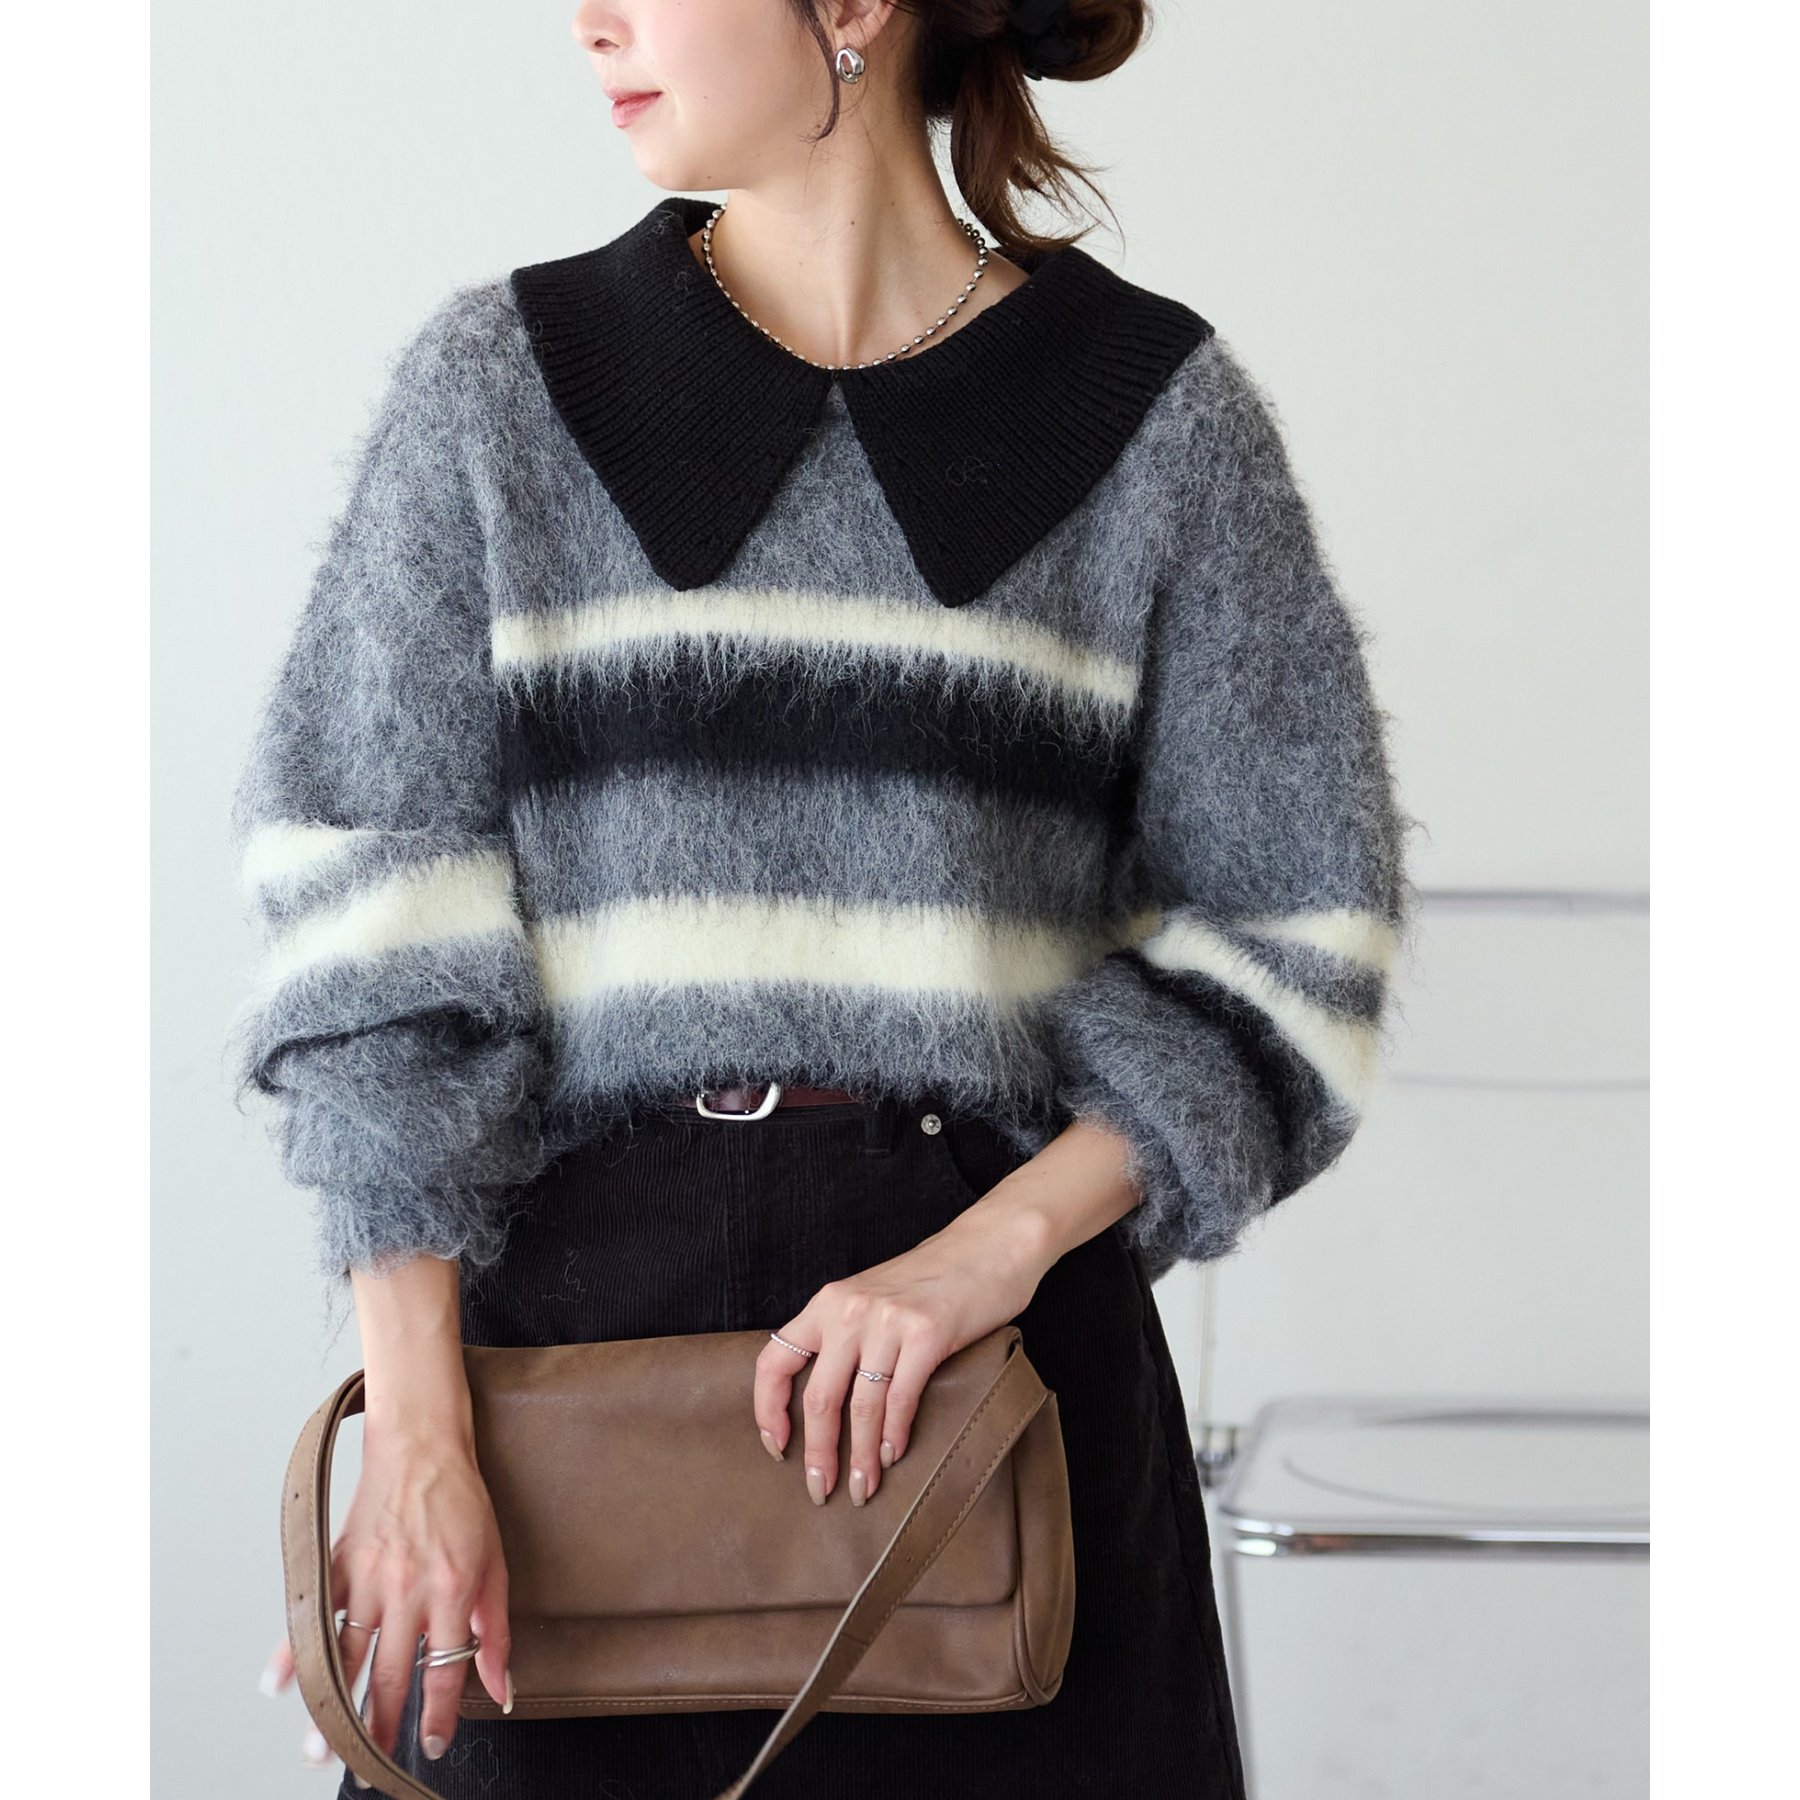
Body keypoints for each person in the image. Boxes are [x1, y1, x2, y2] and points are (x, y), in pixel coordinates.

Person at [233, 2, 1410, 1795]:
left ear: (853, 6)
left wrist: (982, 1256)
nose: (592, 20)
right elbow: (367, 935)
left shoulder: (1151, 418)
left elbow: (1297, 936)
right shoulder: (502, 390)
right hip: (561, 1401)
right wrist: (415, 1438)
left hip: (998, 1396)